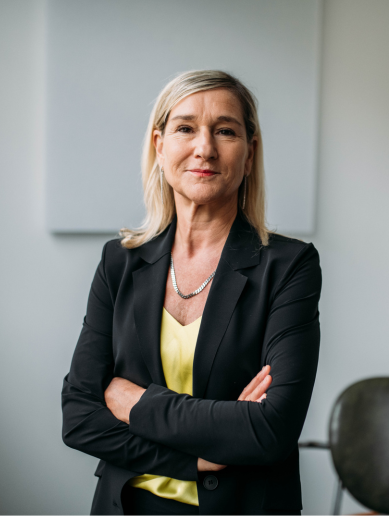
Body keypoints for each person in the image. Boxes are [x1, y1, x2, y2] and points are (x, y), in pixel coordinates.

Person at [61, 70, 322, 515]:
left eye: (225, 131)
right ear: (160, 146)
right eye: (185, 128)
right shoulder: (119, 262)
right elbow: (79, 418)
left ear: (250, 153)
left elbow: (269, 430)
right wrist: (195, 458)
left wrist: (136, 401)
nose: (205, 148)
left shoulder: (289, 266)